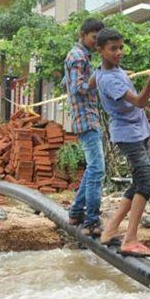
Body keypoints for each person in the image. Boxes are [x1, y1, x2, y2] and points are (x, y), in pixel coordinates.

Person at [94, 28, 150, 257]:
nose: (119, 52)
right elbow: (140, 102)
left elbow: (95, 79)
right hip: (128, 134)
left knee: (138, 181)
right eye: (113, 49)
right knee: (147, 183)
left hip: (134, 131)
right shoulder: (110, 80)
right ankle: (130, 238)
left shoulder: (105, 72)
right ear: (99, 50)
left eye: (121, 47)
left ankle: (110, 229)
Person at [63, 18, 106, 236]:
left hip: (86, 117)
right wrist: (101, 75)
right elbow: (79, 87)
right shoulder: (79, 56)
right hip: (85, 119)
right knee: (98, 170)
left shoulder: (79, 56)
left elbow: (66, 84)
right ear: (83, 35)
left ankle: (76, 212)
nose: (96, 42)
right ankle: (92, 221)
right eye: (94, 38)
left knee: (92, 169)